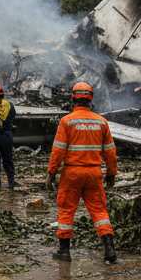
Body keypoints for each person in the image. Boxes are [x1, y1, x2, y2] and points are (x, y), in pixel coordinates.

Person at [47, 81, 118, 264]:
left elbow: (58, 150)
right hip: (94, 173)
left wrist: (51, 172)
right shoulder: (101, 122)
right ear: (91, 99)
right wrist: (111, 173)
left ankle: (64, 252)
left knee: (66, 210)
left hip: (72, 173)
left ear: (73, 98)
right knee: (99, 211)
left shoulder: (66, 121)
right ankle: (109, 249)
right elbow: (110, 151)